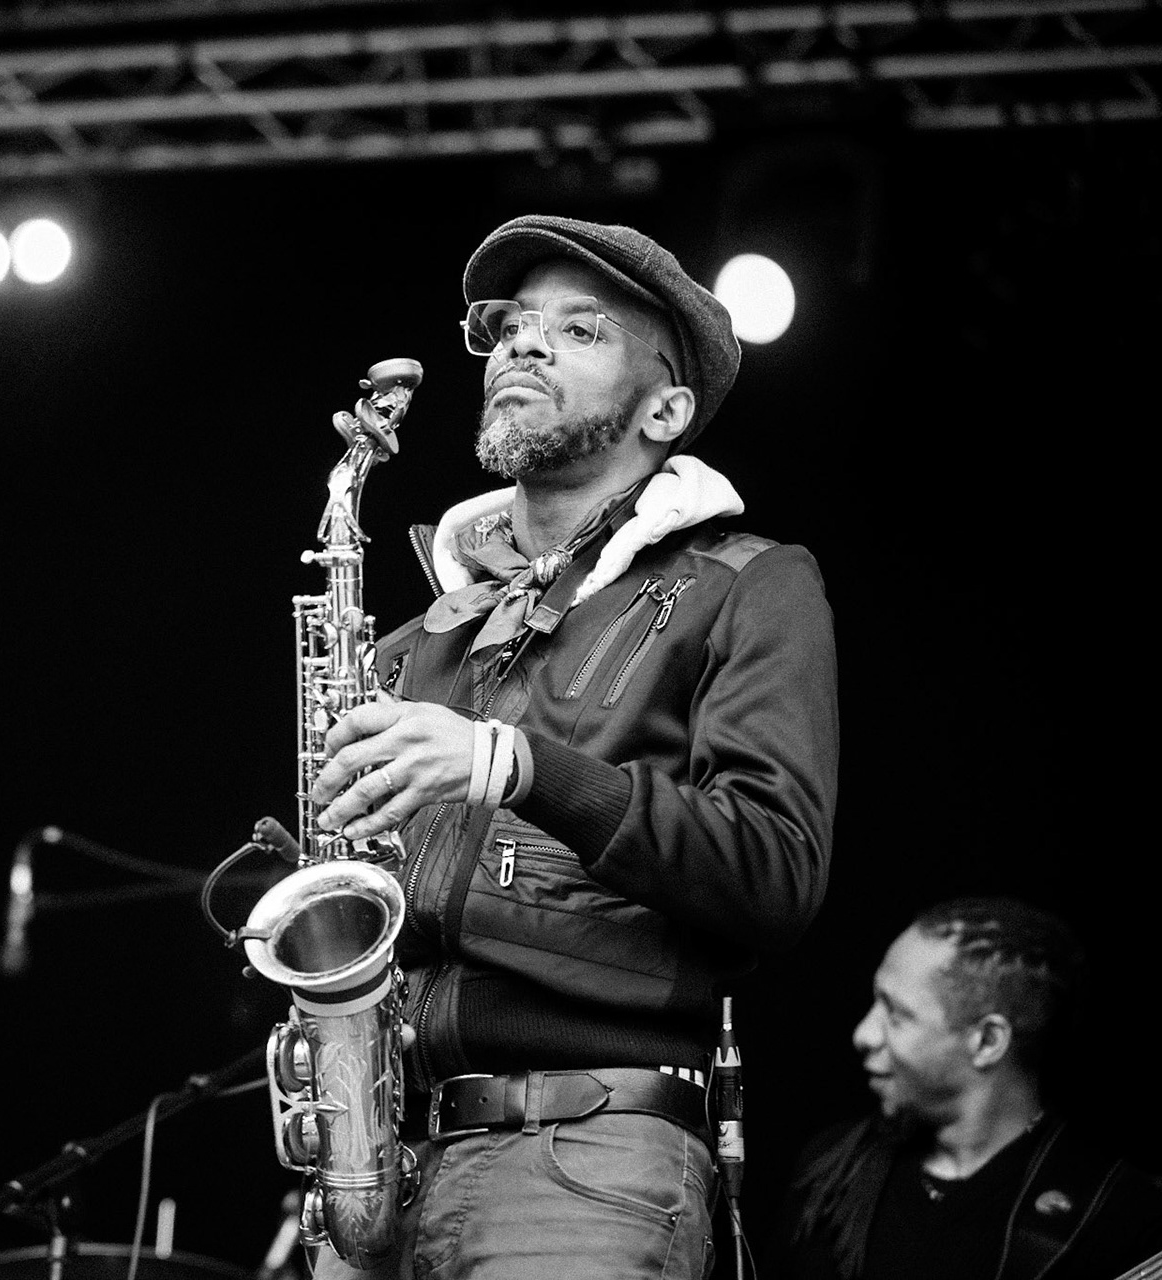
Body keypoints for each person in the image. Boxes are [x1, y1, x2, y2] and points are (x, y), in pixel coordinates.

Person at [302, 215, 840, 1278]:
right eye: (509, 327)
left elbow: (774, 868)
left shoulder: (749, 582)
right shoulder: (418, 642)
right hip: (392, 1161)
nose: (524, 345)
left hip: (586, 1158)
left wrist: (516, 764)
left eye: (580, 329)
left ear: (667, 408)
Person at [773, 897, 1162, 1280]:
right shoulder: (833, 1172)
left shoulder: (1116, 1216)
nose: (863, 1033)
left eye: (896, 1013)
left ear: (987, 1042)